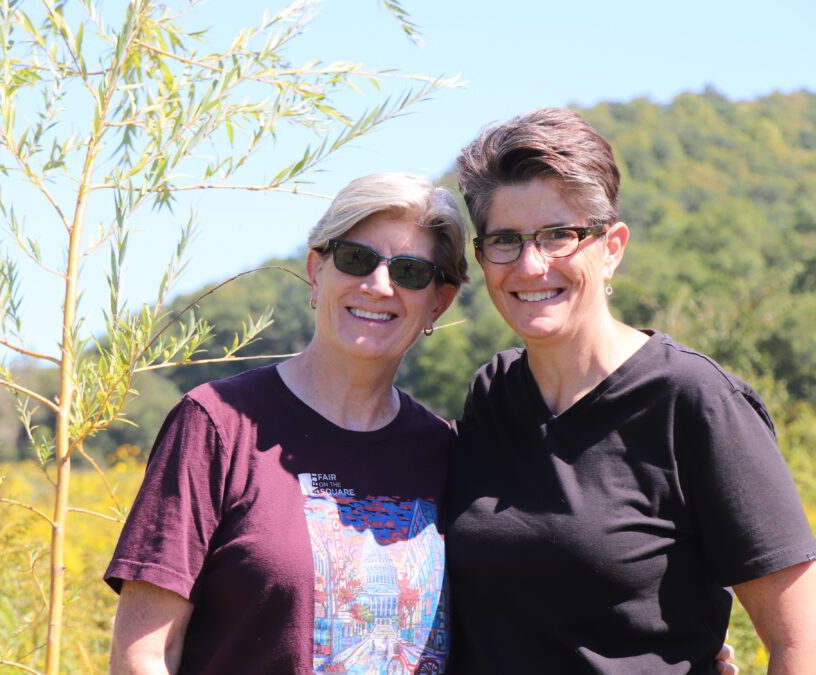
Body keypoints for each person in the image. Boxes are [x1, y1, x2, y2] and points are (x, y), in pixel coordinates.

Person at [446, 107, 816, 673]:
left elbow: (800, 644)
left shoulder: (693, 401)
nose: (530, 264)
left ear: (612, 246)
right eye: (505, 241)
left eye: (558, 236)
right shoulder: (492, 395)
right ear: (481, 258)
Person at [105, 173, 467, 673]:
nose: (379, 285)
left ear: (438, 302)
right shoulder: (216, 426)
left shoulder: (446, 452)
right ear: (316, 272)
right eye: (355, 259)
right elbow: (144, 654)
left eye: (410, 272)